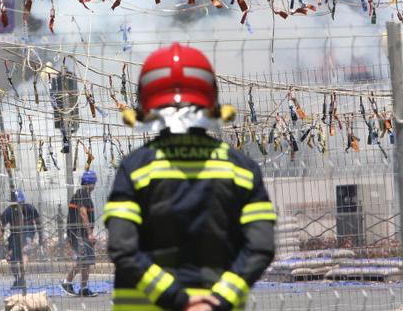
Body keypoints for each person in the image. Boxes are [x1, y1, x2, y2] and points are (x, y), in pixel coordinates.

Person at [103, 43, 276, 311]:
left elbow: (122, 249)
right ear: (212, 97)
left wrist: (176, 299)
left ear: (144, 100)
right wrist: (217, 302)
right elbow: (260, 247)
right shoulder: (242, 169)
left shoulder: (135, 168)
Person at [60, 170, 99, 297]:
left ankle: (84, 288)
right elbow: (83, 213)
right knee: (83, 259)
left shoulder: (84, 194)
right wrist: (90, 233)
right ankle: (67, 282)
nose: (95, 186)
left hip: (82, 233)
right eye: (94, 183)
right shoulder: (82, 194)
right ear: (92, 183)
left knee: (86, 260)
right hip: (78, 233)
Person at [0, 189, 43, 290]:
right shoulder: (8, 211)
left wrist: (40, 237)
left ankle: (22, 277)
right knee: (11, 257)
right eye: (16, 204)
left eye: (20, 203)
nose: (18, 206)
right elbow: (1, 227)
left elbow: (38, 223)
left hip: (28, 232)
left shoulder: (30, 208)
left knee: (24, 251)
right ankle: (17, 278)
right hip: (15, 235)